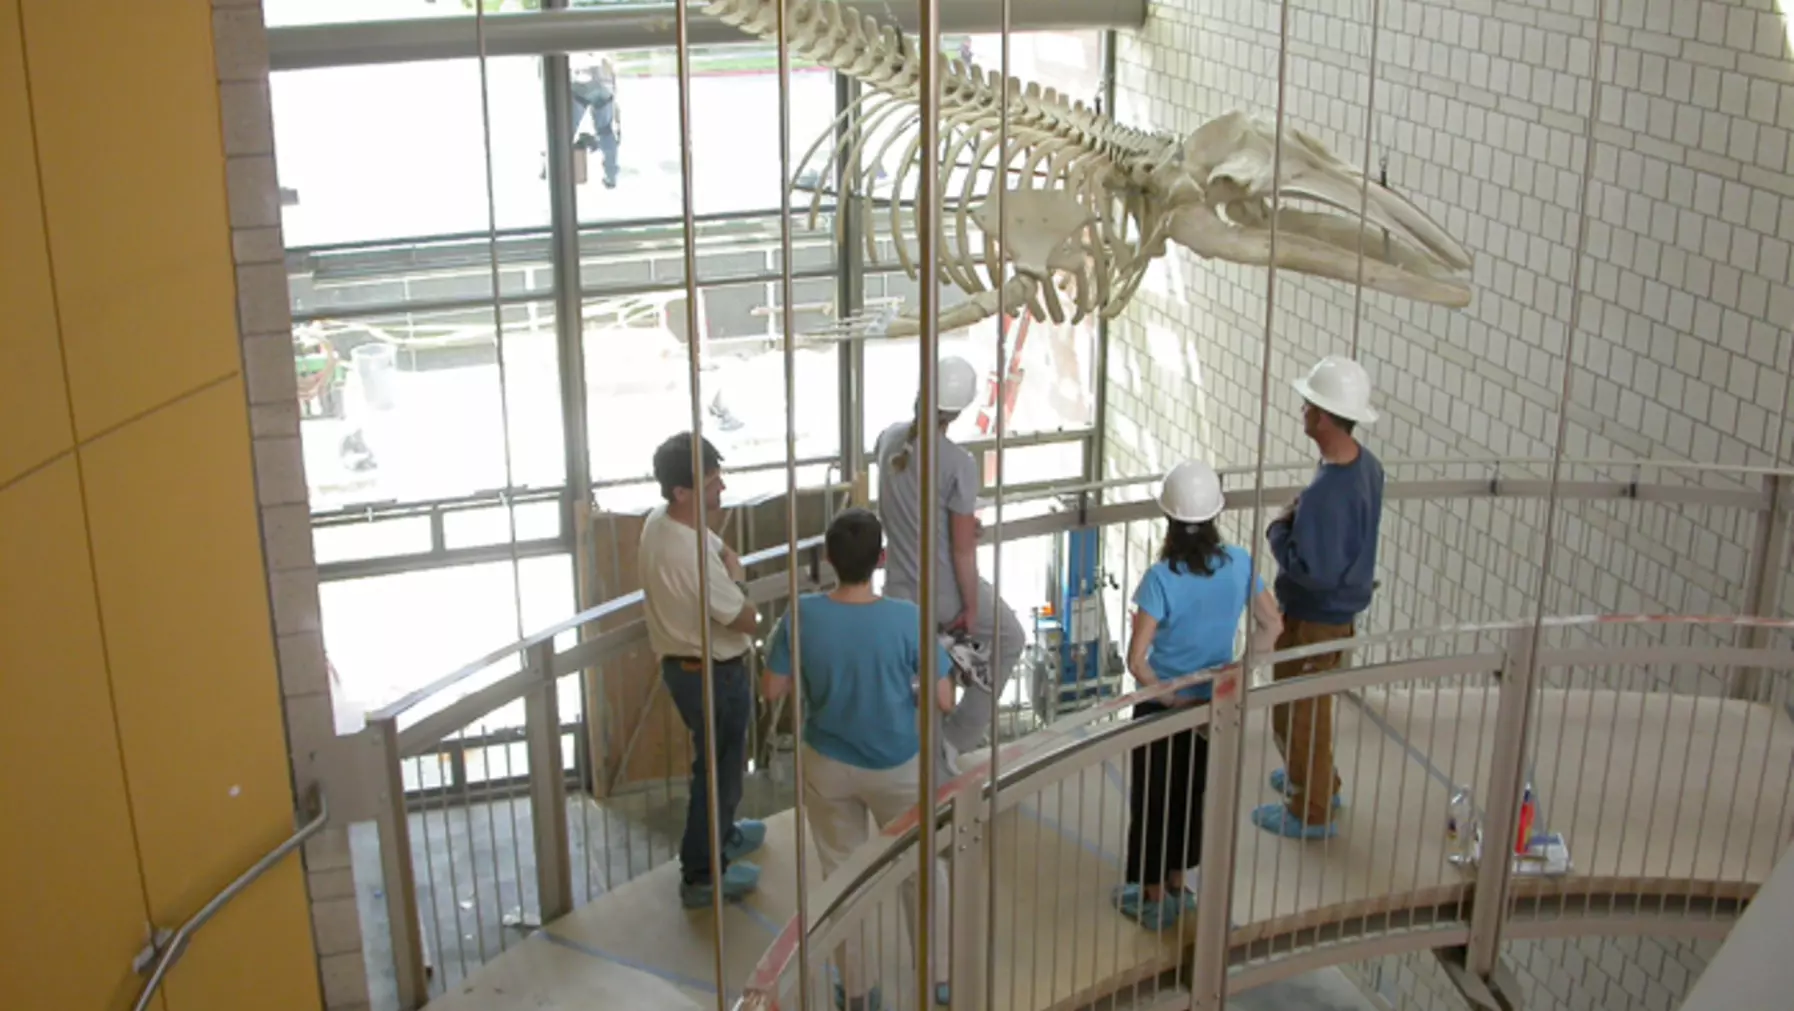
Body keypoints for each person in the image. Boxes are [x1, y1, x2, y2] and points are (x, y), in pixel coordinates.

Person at [762, 509, 956, 1009]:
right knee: (922, 867)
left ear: (828, 559)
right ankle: (936, 976)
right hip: (896, 764)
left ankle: (860, 990)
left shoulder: (800, 615)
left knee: (843, 877)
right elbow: (944, 700)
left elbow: (772, 688)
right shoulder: (905, 617)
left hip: (827, 762)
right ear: (882, 560)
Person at [1113, 461, 1282, 929]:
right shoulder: (1241, 564)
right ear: (1214, 517)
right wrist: (1237, 675)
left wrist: (1168, 698)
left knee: (1153, 796)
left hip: (1163, 703)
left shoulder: (1160, 579)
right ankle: (1175, 884)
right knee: (1191, 792)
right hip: (1214, 702)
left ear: (1168, 519)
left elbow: (1137, 661)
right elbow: (1272, 624)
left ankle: (1148, 895)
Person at [872, 355, 1027, 772]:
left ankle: (922, 756)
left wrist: (953, 527)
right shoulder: (959, 464)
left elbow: (905, 509)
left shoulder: (888, 439)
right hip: (943, 594)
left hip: (900, 593)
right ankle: (955, 739)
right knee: (1011, 638)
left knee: (924, 678)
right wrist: (972, 607)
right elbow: (961, 552)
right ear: (957, 411)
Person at [1254, 356, 1385, 841]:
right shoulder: (1364, 467)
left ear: (1324, 416)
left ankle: (1310, 810)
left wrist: (1279, 531)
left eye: (1310, 403)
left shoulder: (1329, 492)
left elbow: (1313, 569)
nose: (1303, 409)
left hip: (1313, 618)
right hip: (1339, 614)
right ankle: (1315, 781)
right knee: (1311, 705)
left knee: (1299, 710)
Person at [638, 432, 766, 907]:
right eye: (712, 482)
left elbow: (721, 552)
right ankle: (701, 874)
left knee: (721, 767)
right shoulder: (686, 554)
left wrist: (729, 570)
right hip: (712, 673)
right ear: (682, 492)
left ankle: (722, 835)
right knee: (717, 774)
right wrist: (736, 581)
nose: (722, 489)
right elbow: (745, 616)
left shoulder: (663, 523)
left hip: (690, 668)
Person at [571, 57, 621, 188]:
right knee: (605, 131)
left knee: (565, 129)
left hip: (581, 82)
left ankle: (555, 167)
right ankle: (611, 176)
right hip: (606, 86)